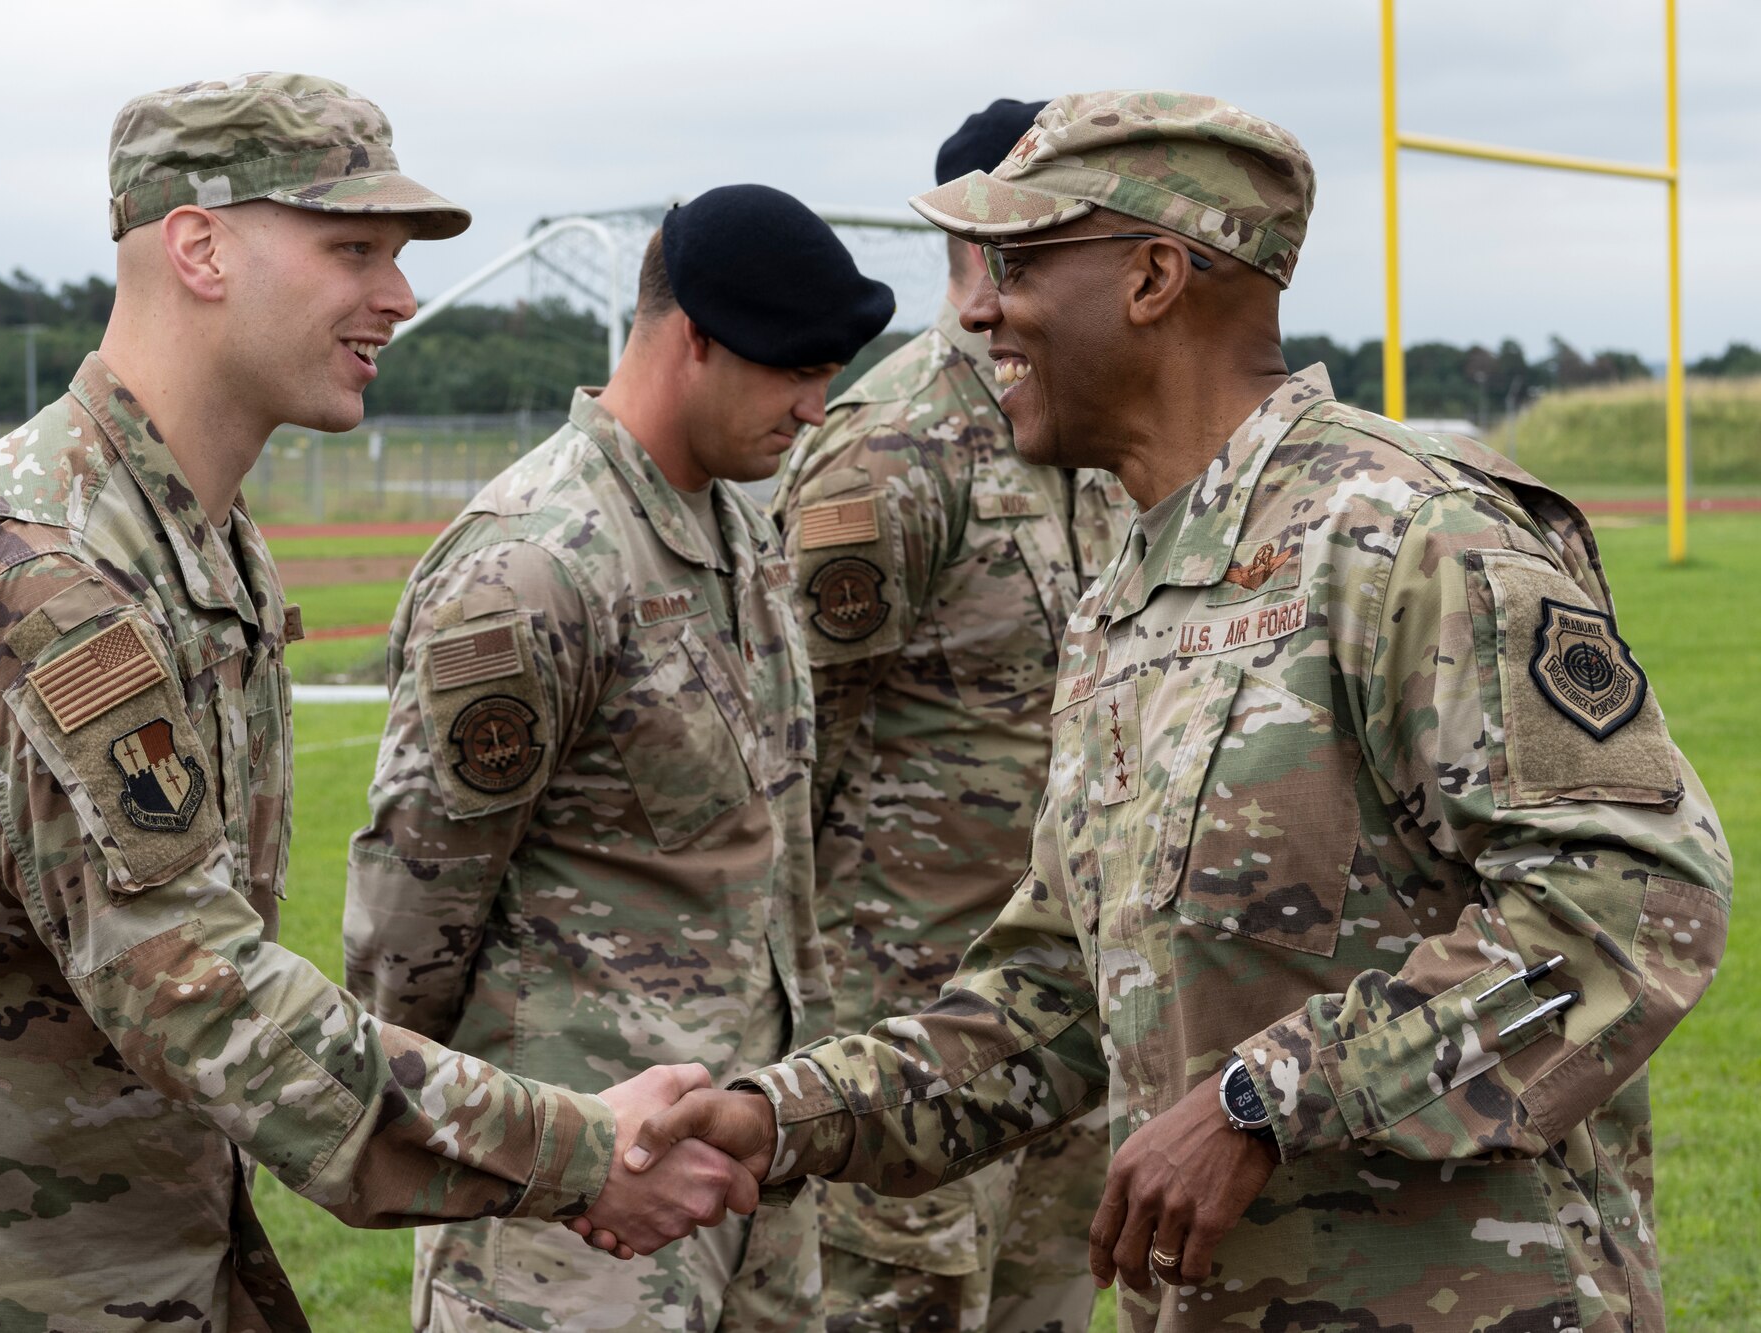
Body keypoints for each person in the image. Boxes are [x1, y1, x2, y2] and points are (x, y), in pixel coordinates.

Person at [617, 91, 1732, 1333]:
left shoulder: (1403, 537)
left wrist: (1268, 1100)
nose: (978, 306)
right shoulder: (1132, 588)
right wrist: (783, 1116)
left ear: (1152, 278)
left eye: (1019, 261)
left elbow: (1634, 903)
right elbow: (1053, 997)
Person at [0, 73, 752, 1331]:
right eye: (352, 249)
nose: (396, 297)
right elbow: (195, 990)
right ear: (200, 246)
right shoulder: (37, 569)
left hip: (114, 1257)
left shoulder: (205, 549)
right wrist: (570, 1148)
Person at [343, 185, 892, 1332]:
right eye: (793, 369)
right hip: (573, 1209)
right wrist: (489, 1149)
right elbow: (409, 919)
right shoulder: (536, 563)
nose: (815, 406)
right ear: (691, 337)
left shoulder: (735, 532)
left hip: (745, 1167)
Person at [770, 97, 1131, 1333]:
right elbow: (785, 748)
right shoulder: (891, 454)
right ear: (987, 244)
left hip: (1066, 1019)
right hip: (902, 1025)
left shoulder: (1095, 435)